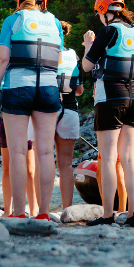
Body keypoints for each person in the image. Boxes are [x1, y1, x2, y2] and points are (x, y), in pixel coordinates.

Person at [0, 0, 63, 220]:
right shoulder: (56, 23)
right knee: (44, 153)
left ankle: (19, 213)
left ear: (19, 0)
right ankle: (43, 213)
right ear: (44, 0)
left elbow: (2, 58)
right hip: (49, 89)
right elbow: (58, 60)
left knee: (18, 152)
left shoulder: (12, 20)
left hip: (17, 87)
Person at [80, 0, 134, 227]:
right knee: (128, 158)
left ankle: (108, 215)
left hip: (110, 99)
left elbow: (87, 66)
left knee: (108, 158)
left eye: (99, 14)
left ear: (104, 11)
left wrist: (88, 44)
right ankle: (133, 214)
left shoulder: (107, 31)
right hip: (133, 99)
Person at [54, 21, 83, 211]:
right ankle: (67, 209)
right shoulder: (74, 56)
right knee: (66, 165)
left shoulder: (46, 54)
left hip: (48, 109)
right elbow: (79, 90)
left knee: (45, 160)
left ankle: (40, 210)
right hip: (70, 108)